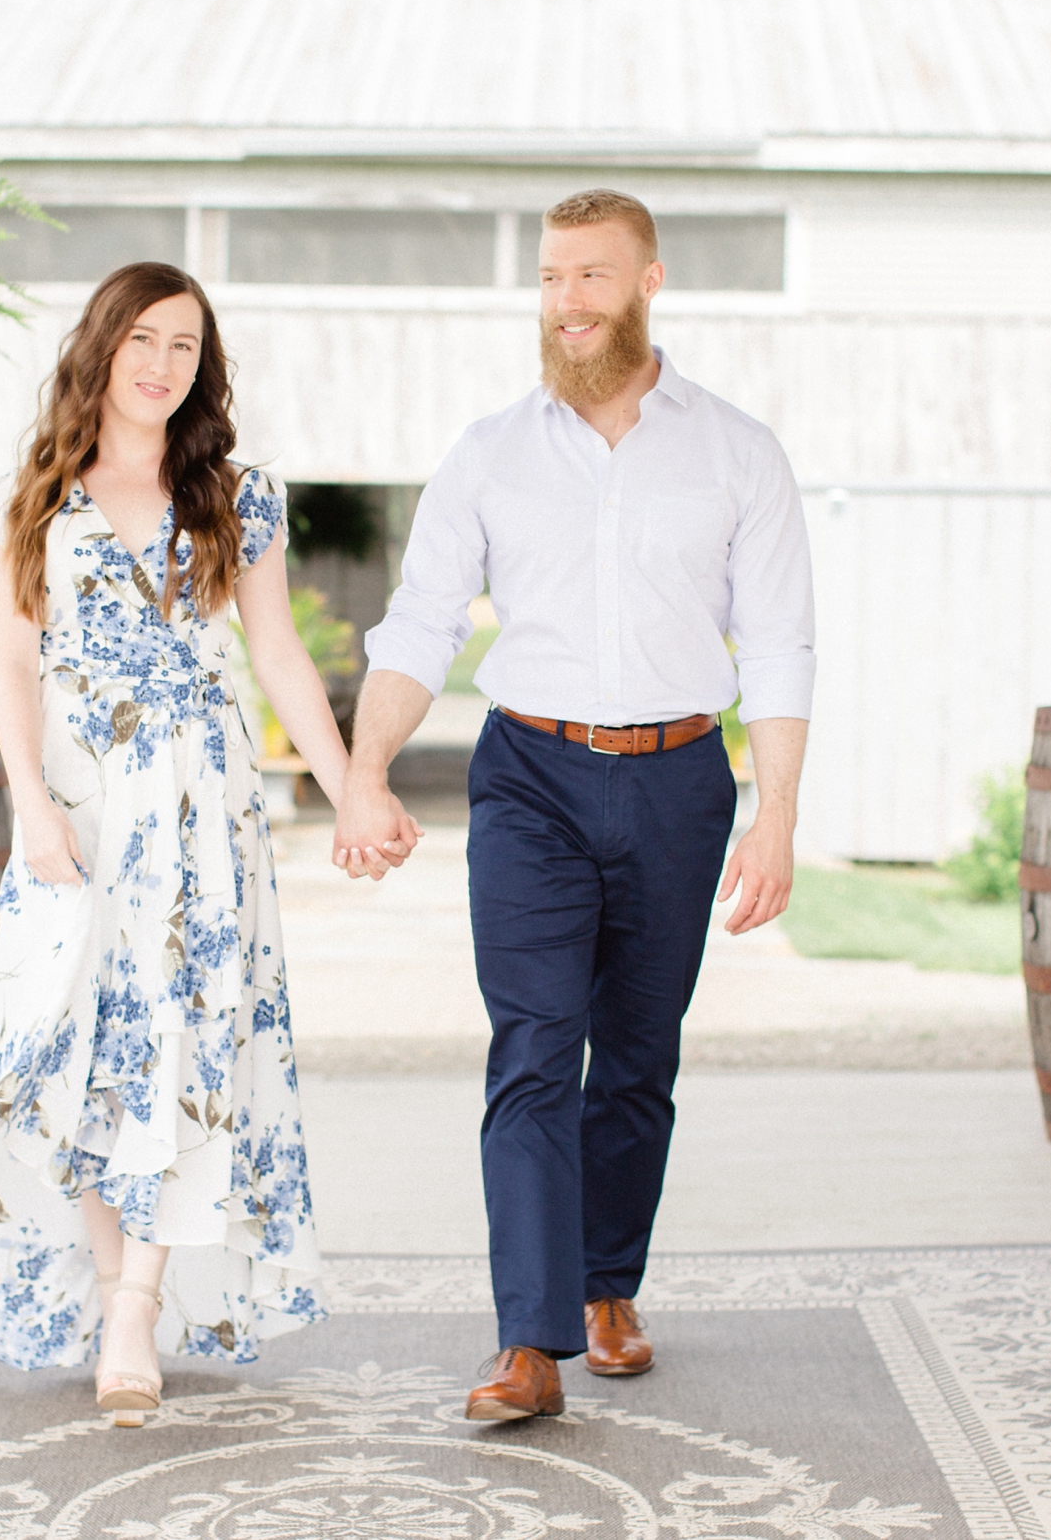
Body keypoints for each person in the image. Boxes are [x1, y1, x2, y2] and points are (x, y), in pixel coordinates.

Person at [0, 261, 414, 1425]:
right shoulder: (30, 503)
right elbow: (12, 671)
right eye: (144, 339)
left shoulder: (238, 493)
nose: (162, 365)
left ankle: (136, 1305)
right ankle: (110, 1290)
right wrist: (27, 804)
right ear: (101, 346)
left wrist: (353, 780)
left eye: (186, 348)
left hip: (205, 815)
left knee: (185, 1049)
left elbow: (278, 656)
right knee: (72, 1051)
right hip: (78, 816)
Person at [335, 189, 817, 1422]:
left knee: (637, 1061)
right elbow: (421, 621)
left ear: (650, 280)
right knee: (535, 1048)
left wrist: (776, 815)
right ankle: (528, 1339)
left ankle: (608, 1285)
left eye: (592, 277)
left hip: (676, 778)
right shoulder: (489, 451)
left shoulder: (735, 449)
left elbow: (777, 644)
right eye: (552, 279)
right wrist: (366, 766)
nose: (567, 302)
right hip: (531, 778)